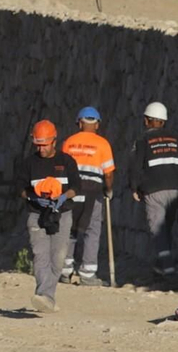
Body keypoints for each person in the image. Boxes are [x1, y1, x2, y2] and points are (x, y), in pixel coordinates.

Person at [21, 120, 78, 312]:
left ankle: (47, 296)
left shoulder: (67, 161)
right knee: (40, 255)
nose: (41, 148)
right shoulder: (28, 163)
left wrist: (62, 197)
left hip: (62, 214)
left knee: (58, 258)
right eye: (37, 144)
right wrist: (33, 197)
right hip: (36, 214)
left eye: (44, 144)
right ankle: (45, 296)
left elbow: (75, 187)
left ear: (54, 141)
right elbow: (19, 189)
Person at [130, 100, 178, 276]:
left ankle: (168, 269)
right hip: (174, 190)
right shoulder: (176, 139)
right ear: (163, 121)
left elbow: (135, 165)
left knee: (158, 230)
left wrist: (134, 187)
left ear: (148, 121)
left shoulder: (143, 139)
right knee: (166, 229)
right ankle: (161, 266)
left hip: (153, 190)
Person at [62, 106, 115, 285]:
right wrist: (108, 190)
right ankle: (87, 274)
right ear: (97, 124)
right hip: (93, 192)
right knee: (92, 230)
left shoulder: (69, 142)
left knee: (70, 228)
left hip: (72, 191)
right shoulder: (103, 144)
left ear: (79, 123)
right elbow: (108, 173)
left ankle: (65, 270)